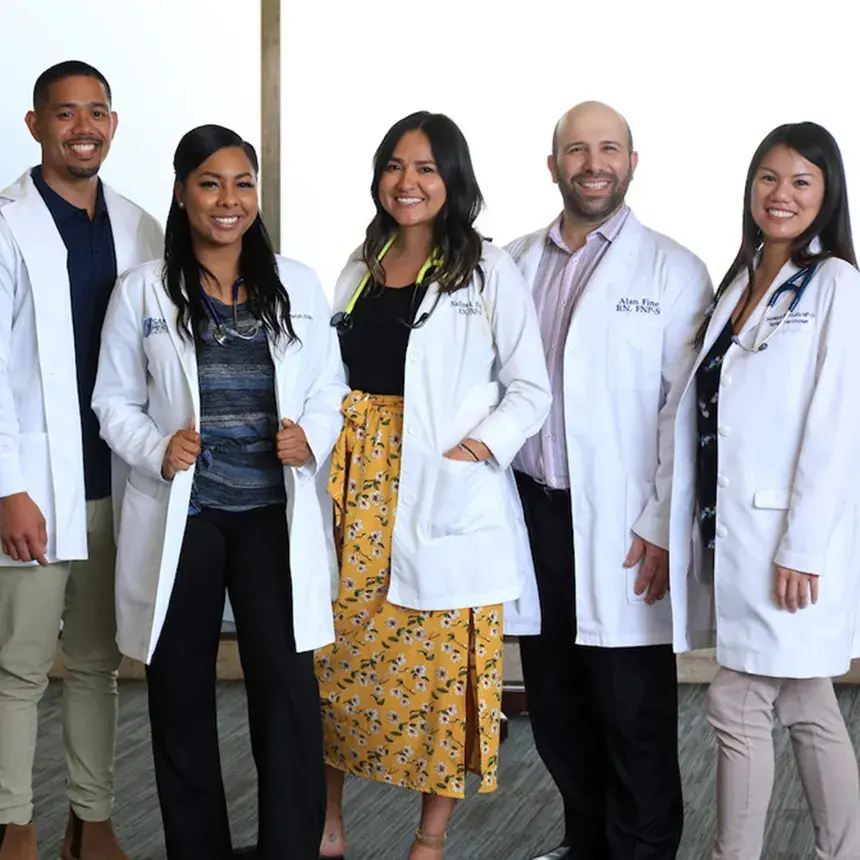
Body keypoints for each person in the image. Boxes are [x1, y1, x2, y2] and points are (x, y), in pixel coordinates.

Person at [90, 125, 348, 860]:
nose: (228, 200)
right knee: (178, 695)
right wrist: (157, 448)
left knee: (288, 696)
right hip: (187, 512)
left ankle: (288, 850)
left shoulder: (294, 281)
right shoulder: (142, 288)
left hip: (271, 512)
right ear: (182, 192)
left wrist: (314, 437)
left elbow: (329, 387)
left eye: (243, 183)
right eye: (210, 183)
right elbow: (114, 400)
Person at [315, 111, 551, 860]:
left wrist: (478, 449)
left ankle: (429, 840)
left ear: (452, 180)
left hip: (440, 485)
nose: (407, 182)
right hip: (354, 489)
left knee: (445, 677)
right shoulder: (360, 263)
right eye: (395, 166)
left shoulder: (485, 269)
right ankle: (329, 824)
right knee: (333, 661)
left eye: (425, 168)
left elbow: (531, 387)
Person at [503, 101, 713, 860]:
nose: (594, 163)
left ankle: (643, 850)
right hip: (532, 517)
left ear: (632, 162)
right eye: (578, 149)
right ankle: (584, 842)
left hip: (625, 526)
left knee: (634, 714)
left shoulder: (674, 270)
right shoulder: (514, 262)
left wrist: (662, 523)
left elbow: (681, 414)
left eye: (610, 149)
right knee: (555, 704)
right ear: (553, 163)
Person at [666, 121, 860, 859]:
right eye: (769, 179)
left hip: (787, 542)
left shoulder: (838, 285)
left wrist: (804, 546)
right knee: (808, 703)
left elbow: (838, 427)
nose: (781, 195)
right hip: (735, 534)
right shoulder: (742, 284)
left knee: (737, 699)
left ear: (827, 194)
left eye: (801, 181)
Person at [0, 61, 163, 860]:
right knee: (22, 667)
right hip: (34, 487)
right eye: (65, 114)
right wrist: (8, 488)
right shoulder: (4, 222)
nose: (83, 127)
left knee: (99, 663)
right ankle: (14, 822)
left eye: (96, 111)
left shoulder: (139, 227)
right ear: (35, 125)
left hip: (118, 483)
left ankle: (90, 818)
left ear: (114, 122)